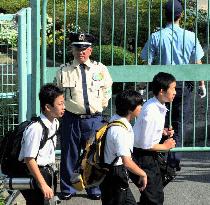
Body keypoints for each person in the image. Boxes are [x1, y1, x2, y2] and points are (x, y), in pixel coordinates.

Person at [141, 0, 206, 172]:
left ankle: (159, 155)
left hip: (162, 85)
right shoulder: (190, 36)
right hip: (183, 85)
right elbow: (197, 62)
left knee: (159, 120)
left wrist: (145, 83)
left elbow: (146, 62)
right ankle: (174, 160)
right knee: (180, 121)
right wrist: (201, 84)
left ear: (165, 15)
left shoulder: (156, 36)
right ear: (181, 15)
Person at [56, 32, 113, 200]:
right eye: (77, 48)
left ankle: (94, 188)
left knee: (94, 155)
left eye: (84, 48)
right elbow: (57, 93)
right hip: (71, 119)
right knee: (69, 154)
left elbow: (107, 89)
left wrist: (102, 105)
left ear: (90, 50)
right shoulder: (63, 70)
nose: (81, 52)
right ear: (72, 50)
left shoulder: (100, 69)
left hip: (93, 119)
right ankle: (68, 189)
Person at [131, 72, 176, 205]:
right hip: (142, 156)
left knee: (153, 193)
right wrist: (165, 146)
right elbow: (145, 144)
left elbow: (146, 130)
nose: (175, 92)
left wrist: (162, 132)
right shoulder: (152, 111)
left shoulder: (157, 105)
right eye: (173, 88)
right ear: (162, 91)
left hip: (147, 155)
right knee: (154, 198)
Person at [18, 83, 65, 205]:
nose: (63, 107)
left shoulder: (55, 122)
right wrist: (42, 184)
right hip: (34, 174)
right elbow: (29, 159)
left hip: (47, 171)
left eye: (63, 103)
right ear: (48, 107)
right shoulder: (36, 129)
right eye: (60, 104)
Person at [100, 90, 147, 205]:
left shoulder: (115, 119)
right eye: (139, 105)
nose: (141, 107)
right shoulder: (120, 131)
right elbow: (126, 162)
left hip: (112, 172)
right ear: (130, 109)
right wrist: (143, 174)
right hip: (114, 175)